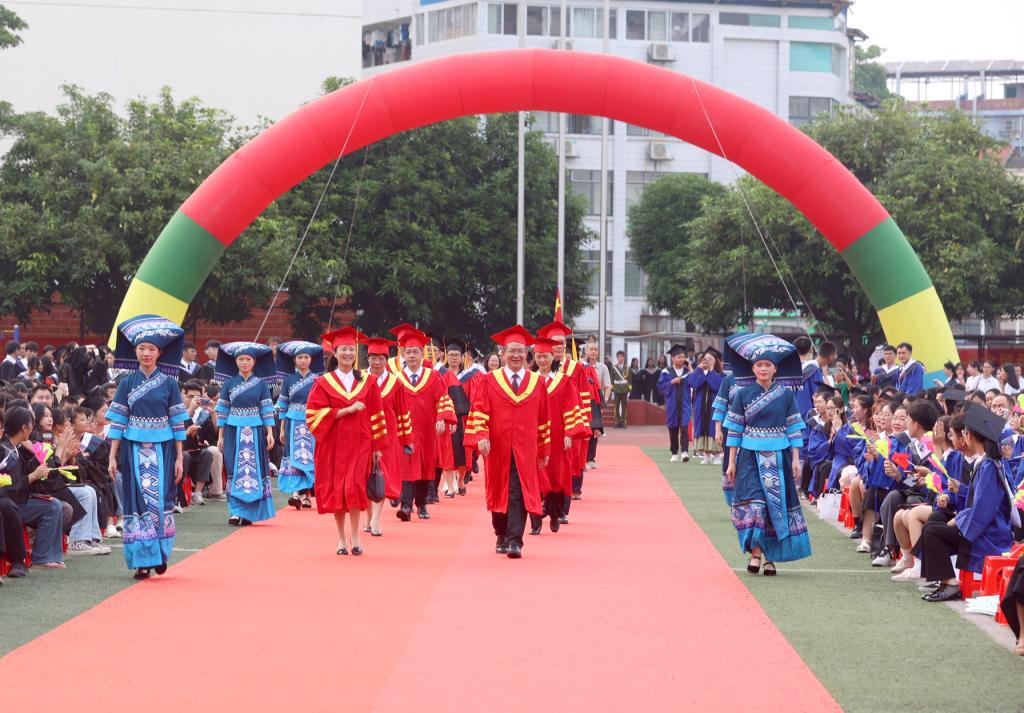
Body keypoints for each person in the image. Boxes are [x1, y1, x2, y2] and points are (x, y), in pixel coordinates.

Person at [106, 315, 189, 579]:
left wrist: (179, 458)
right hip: (133, 448)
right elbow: (118, 422)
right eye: (141, 348)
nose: (146, 353)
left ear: (159, 352)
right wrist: (112, 456)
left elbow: (177, 424)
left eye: (151, 349)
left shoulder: (170, 383)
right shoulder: (126, 383)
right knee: (138, 502)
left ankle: (160, 553)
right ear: (135, 351)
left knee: (161, 501)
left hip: (163, 449)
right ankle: (143, 560)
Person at [723, 333, 810, 575]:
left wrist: (796, 459)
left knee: (775, 508)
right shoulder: (742, 394)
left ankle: (770, 558)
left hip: (779, 457)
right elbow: (734, 430)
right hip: (749, 457)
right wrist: (731, 462)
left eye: (767, 365)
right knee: (756, 506)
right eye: (759, 364)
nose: (763, 369)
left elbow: (794, 429)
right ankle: (755, 553)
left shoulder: (786, 395)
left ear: (775, 369)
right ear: (753, 368)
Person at [464, 326, 550, 558]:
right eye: (512, 351)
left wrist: (544, 449)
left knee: (518, 490)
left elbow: (544, 419)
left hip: (526, 447)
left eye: (521, 351)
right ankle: (500, 533)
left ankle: (515, 541)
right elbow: (479, 409)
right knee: (499, 488)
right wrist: (481, 436)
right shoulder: (489, 380)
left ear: (527, 355)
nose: (516, 355)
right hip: (497, 446)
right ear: (503, 354)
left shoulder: (537, 383)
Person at [917, 403, 1017, 602]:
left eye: (964, 433)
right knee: (933, 528)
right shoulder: (986, 463)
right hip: (983, 527)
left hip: (989, 534)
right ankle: (944, 581)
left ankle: (950, 584)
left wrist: (959, 521)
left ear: (970, 436)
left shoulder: (989, 466)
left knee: (933, 532)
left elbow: (983, 510)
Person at [305, 327, 387, 556]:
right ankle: (341, 537)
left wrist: (377, 448)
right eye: (343, 349)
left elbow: (376, 414)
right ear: (335, 352)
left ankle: (356, 536)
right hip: (333, 446)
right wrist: (345, 410)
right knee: (338, 490)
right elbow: (312, 415)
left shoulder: (368, 382)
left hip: (361, 443)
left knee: (355, 488)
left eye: (351, 349)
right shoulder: (323, 382)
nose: (348, 353)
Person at [390, 326, 456, 521]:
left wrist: (442, 418)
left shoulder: (433, 377)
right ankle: (405, 505)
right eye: (408, 352)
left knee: (426, 466)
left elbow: (443, 398)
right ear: (403, 354)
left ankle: (422, 504)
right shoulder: (396, 379)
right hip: (404, 430)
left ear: (422, 354)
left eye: (415, 352)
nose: (412, 356)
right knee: (405, 465)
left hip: (427, 429)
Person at [529, 336, 589, 535]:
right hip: (535, 436)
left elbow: (571, 406)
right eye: (538, 356)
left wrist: (570, 433)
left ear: (552, 357)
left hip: (557, 436)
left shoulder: (563, 381)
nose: (542, 360)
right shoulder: (529, 380)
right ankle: (535, 519)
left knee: (556, 474)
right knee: (535, 475)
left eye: (545, 356)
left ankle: (554, 513)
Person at [215, 342, 277, 527]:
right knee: (234, 469)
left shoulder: (261, 384)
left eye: (248, 359)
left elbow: (266, 409)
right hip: (233, 430)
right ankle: (235, 512)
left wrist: (270, 433)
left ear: (254, 362)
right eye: (241, 359)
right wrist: (220, 436)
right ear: (235, 361)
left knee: (254, 469)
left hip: (256, 431)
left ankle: (250, 511)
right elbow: (223, 411)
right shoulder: (228, 384)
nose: (244, 362)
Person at [365, 336, 413, 535]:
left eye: (381, 358)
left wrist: (407, 439)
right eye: (373, 358)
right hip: (364, 435)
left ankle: (376, 519)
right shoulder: (359, 379)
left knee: (381, 475)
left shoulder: (396, 383)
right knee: (365, 476)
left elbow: (403, 412)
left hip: (388, 436)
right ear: (367, 359)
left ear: (387, 359)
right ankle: (368, 517)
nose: (377, 362)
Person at [275, 341, 324, 511]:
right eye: (299, 357)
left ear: (311, 359)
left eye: (306, 357)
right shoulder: (288, 381)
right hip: (292, 422)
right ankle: (296, 494)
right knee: (294, 457)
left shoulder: (318, 380)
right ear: (294, 360)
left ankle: (308, 496)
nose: (303, 360)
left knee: (309, 457)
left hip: (312, 422)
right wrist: (282, 428)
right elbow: (283, 405)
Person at [687, 346, 726, 465]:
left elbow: (716, 386)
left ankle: (718, 455)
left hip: (714, 408)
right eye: (705, 359)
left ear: (716, 361)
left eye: (710, 359)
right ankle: (707, 455)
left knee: (713, 429)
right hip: (700, 407)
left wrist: (710, 372)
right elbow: (692, 382)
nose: (707, 361)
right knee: (702, 428)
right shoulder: (700, 372)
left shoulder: (721, 375)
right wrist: (699, 369)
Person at [658, 345, 692, 463]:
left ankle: (685, 451)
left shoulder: (687, 372)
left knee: (684, 427)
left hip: (685, 403)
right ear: (672, 358)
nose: (682, 359)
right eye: (679, 357)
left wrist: (690, 367)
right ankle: (674, 452)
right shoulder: (666, 372)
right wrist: (672, 382)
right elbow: (661, 387)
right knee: (673, 428)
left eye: (683, 357)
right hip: (672, 404)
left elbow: (695, 381)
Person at [610, 350, 632, 427]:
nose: (620, 358)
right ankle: (617, 422)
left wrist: (629, 391)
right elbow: (611, 380)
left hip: (625, 390)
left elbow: (629, 380)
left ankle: (623, 422)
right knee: (616, 407)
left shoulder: (628, 368)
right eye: (618, 357)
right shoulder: (614, 368)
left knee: (624, 407)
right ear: (617, 358)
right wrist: (612, 391)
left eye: (621, 356)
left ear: (624, 357)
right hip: (616, 389)